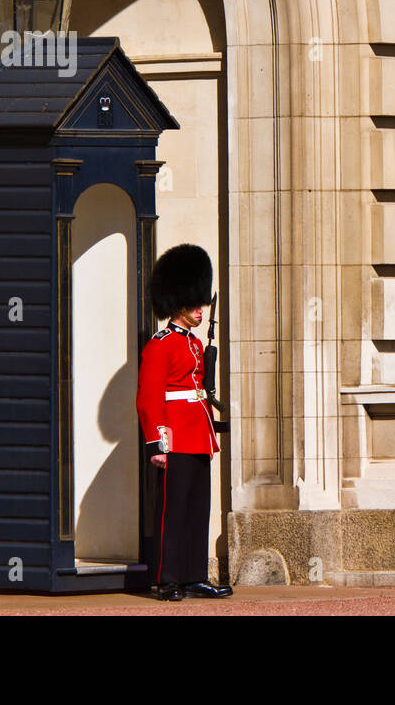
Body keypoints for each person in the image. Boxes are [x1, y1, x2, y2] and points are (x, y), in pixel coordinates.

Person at [136, 243, 233, 601]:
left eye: (201, 304)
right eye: (195, 304)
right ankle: (167, 579)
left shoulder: (194, 344)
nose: (200, 310)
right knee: (171, 513)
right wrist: (157, 445)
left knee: (197, 510)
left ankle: (194, 575)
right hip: (174, 438)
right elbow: (149, 399)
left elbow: (198, 391)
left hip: (198, 435)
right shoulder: (159, 345)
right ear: (178, 303)